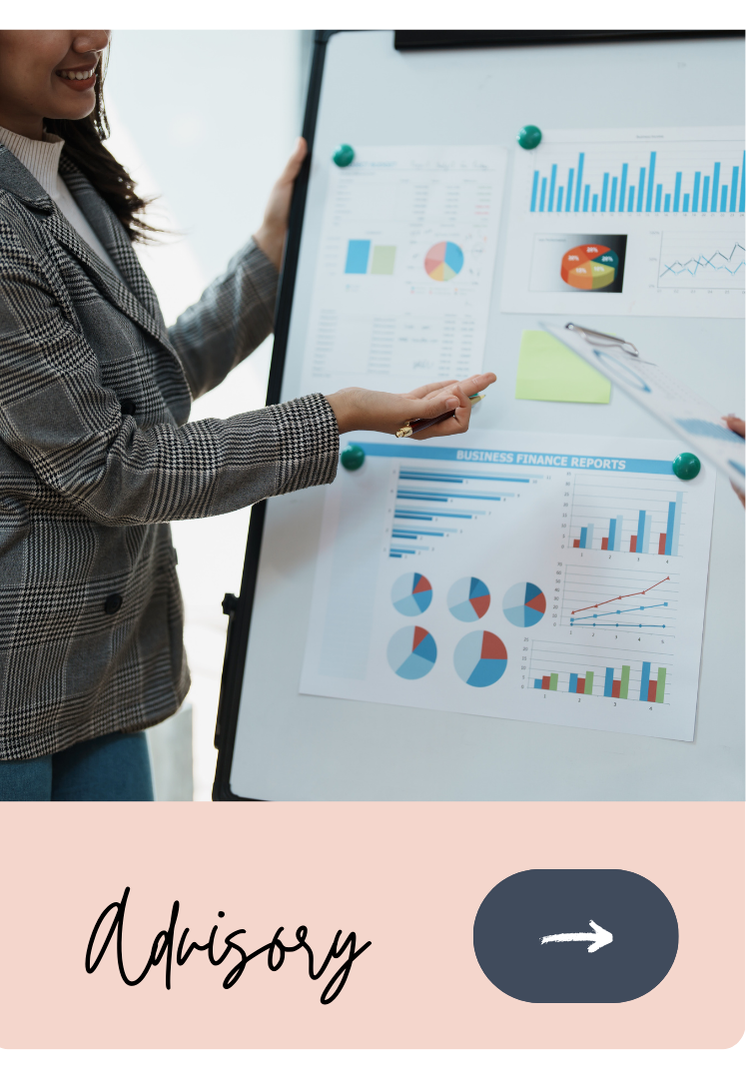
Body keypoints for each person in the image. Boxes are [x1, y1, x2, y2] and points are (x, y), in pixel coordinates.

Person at [0, 30, 495, 801]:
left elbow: (137, 394)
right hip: (13, 685)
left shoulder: (66, 175)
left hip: (96, 672)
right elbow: (114, 466)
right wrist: (336, 417)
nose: (93, 33)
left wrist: (269, 255)